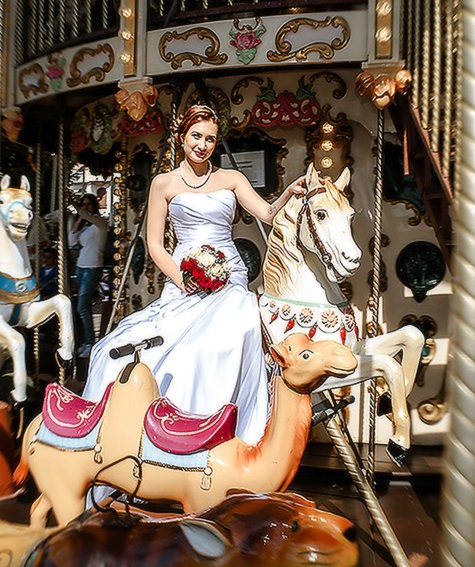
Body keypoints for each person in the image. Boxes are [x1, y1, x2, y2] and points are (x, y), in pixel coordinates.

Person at [82, 104, 307, 444]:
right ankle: (166, 433)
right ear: (182, 137)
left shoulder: (231, 179)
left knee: (228, 338)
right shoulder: (164, 183)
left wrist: (290, 191)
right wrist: (181, 280)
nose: (203, 145)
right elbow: (154, 244)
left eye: (211, 139)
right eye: (197, 137)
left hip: (229, 275)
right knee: (167, 350)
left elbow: (269, 213)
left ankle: (228, 434)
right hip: (183, 277)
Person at [69, 192, 108, 358]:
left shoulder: (101, 224)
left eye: (89, 204)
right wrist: (78, 220)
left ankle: (91, 342)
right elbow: (72, 241)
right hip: (81, 267)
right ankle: (87, 341)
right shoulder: (86, 228)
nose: (86, 208)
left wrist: (75, 206)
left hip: (92, 267)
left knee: (82, 307)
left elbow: (86, 215)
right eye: (83, 204)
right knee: (82, 307)